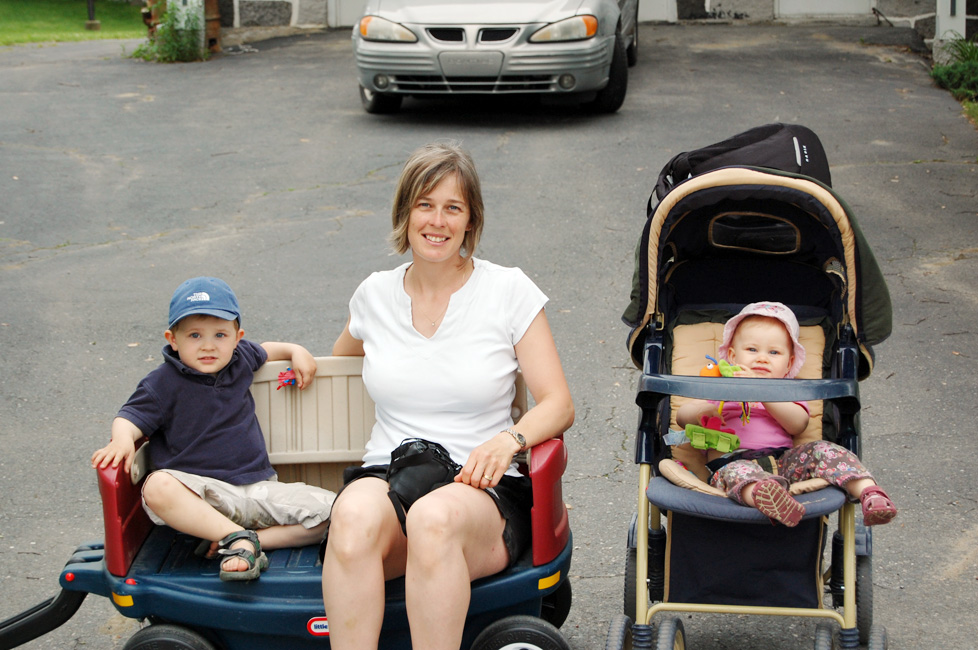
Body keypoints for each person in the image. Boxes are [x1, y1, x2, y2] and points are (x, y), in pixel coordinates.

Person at [321, 142, 575, 650]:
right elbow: (334, 368)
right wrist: (285, 357)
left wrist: (508, 441)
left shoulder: (508, 290)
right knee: (349, 516)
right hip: (390, 471)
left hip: (479, 484)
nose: (437, 220)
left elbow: (558, 403)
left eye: (452, 207)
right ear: (405, 212)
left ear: (470, 220)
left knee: (432, 519)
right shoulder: (373, 295)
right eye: (425, 204)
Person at [91, 276, 335, 581]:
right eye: (194, 335)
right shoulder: (162, 383)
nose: (208, 346)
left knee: (340, 513)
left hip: (258, 488)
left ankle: (246, 540)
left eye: (220, 335)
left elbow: (267, 349)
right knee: (156, 486)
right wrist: (122, 439)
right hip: (204, 497)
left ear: (237, 337)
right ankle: (237, 539)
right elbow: (131, 415)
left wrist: (295, 350)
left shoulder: (240, 359)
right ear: (173, 339)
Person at [676, 301, 897, 528]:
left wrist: (761, 391)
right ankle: (768, 497)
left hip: (783, 462)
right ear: (731, 356)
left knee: (825, 449)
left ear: (789, 363)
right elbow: (682, 417)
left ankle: (868, 491)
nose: (762, 358)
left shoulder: (788, 391)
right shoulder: (720, 388)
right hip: (731, 461)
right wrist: (702, 411)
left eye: (774, 352)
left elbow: (797, 425)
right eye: (752, 350)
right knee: (739, 473)